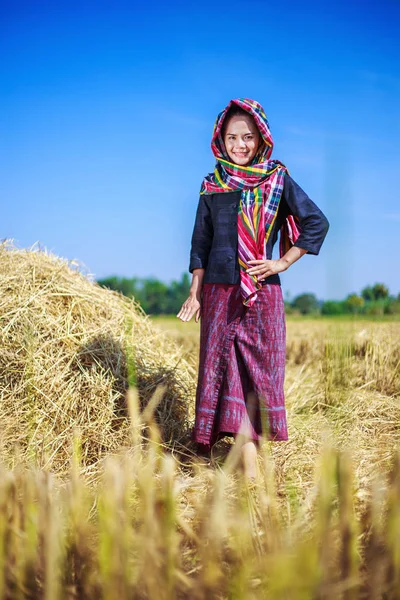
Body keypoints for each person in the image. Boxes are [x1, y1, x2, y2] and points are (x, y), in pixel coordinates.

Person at [177, 98, 329, 479]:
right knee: (224, 372)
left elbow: (316, 222)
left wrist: (281, 262)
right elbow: (201, 242)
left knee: (261, 373)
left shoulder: (277, 179)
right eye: (232, 137)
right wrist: (194, 292)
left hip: (263, 293)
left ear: (261, 139)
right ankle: (249, 469)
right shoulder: (211, 185)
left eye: (247, 137)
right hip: (218, 293)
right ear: (220, 140)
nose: (240, 145)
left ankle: (252, 459)